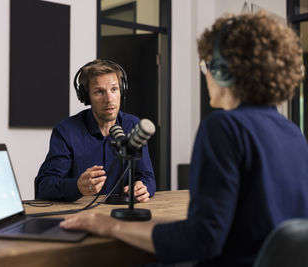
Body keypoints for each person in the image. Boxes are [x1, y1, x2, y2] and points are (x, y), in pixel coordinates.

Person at [60, 12, 308, 267]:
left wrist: (111, 226)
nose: (206, 75)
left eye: (207, 65)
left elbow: (202, 239)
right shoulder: (292, 133)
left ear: (222, 71)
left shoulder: (224, 127)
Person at [34, 59, 156, 202]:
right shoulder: (66, 131)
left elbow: (147, 176)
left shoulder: (133, 125)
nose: (109, 99)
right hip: (81, 217)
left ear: (122, 90)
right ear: (86, 97)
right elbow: (44, 186)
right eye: (99, 92)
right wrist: (76, 187)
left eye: (114, 89)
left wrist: (143, 187)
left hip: (122, 216)